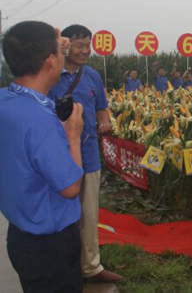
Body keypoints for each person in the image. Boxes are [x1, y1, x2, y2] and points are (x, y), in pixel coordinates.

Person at [0, 21, 86, 292]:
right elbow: (70, 188)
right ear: (50, 61)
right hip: (50, 248)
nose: (65, 55)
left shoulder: (6, 100)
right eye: (61, 52)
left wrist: (54, 40)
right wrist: (73, 136)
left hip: (20, 235)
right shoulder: (41, 121)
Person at [48, 25, 122, 284]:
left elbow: (101, 108)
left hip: (88, 154)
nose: (85, 50)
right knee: (58, 211)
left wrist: (105, 123)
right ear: (65, 45)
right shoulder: (50, 73)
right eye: (79, 45)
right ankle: (59, 265)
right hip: (56, 155)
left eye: (88, 45)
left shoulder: (92, 76)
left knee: (89, 213)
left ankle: (91, 267)